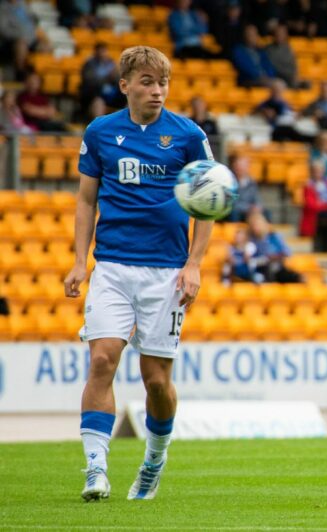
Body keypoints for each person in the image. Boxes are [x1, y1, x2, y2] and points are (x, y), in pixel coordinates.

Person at [65, 46, 216, 502]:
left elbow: (207, 204)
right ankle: (96, 469)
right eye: (148, 82)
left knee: (156, 381)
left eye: (163, 83)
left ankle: (153, 460)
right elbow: (86, 200)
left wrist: (194, 265)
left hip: (166, 273)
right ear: (125, 85)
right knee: (102, 359)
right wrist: (79, 260)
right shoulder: (101, 132)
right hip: (112, 266)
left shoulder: (188, 135)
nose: (157, 91)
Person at [247, 211, 303, 283]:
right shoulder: (251, 240)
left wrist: (275, 256)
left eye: (258, 224)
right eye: (254, 225)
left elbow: (287, 252)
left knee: (293, 276)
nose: (256, 228)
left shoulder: (273, 236)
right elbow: (251, 259)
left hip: (278, 267)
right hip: (261, 269)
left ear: (264, 224)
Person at [80, 43, 121, 114]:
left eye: (104, 51)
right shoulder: (90, 64)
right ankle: (99, 123)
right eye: (101, 51)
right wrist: (108, 77)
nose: (103, 53)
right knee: (99, 101)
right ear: (96, 52)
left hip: (111, 92)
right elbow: (90, 82)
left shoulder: (111, 63)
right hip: (95, 94)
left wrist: (115, 76)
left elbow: (117, 80)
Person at [265, 24, 306, 89]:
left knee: (307, 84)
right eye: (277, 33)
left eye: (281, 33)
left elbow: (293, 66)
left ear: (285, 35)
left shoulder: (289, 49)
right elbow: (271, 66)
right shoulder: (268, 49)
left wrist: (293, 75)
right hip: (276, 77)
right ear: (274, 34)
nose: (279, 35)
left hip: (289, 77)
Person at [227, 154, 263, 222]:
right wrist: (249, 208)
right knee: (234, 213)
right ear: (234, 167)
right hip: (236, 211)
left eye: (243, 166)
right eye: (239, 166)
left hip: (249, 211)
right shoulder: (230, 182)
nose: (240, 169)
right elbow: (233, 203)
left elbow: (256, 199)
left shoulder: (252, 183)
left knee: (266, 213)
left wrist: (257, 207)